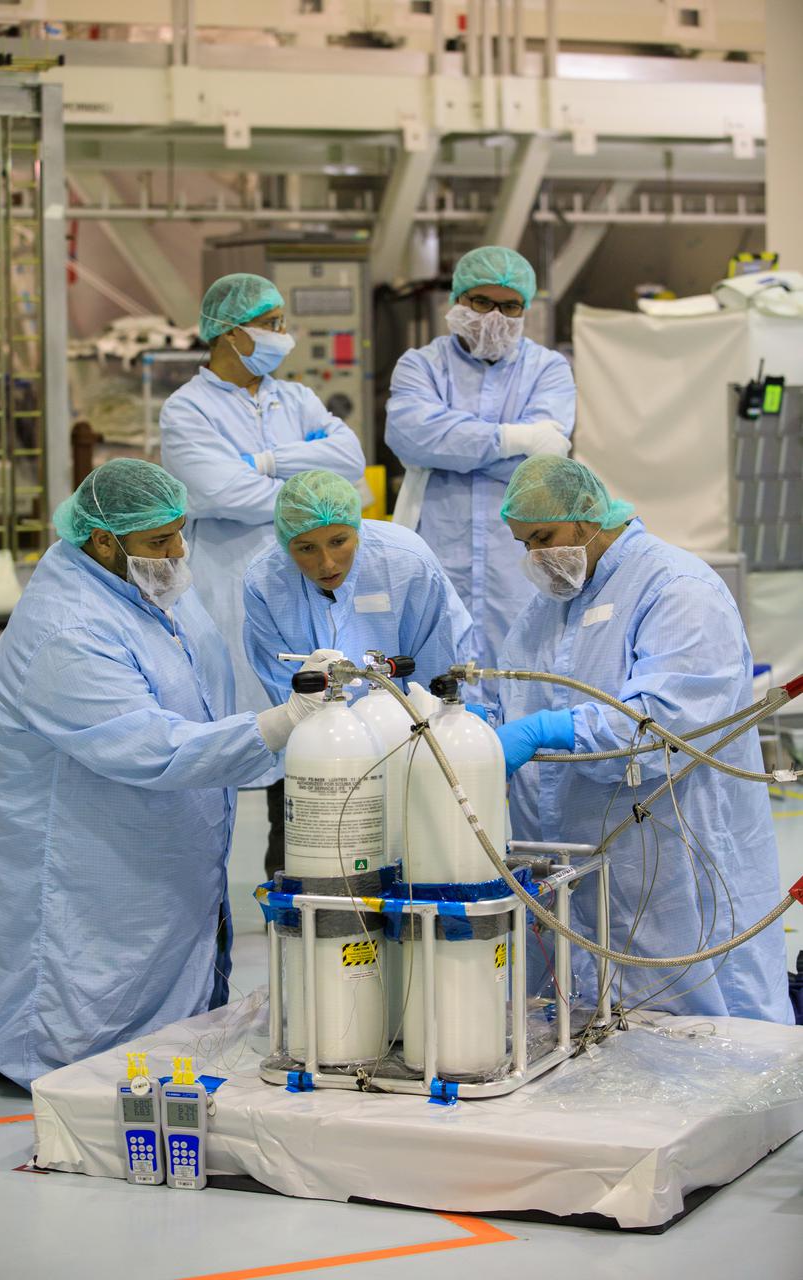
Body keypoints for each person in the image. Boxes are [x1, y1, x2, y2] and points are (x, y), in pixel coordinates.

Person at [0, 459, 329, 1090]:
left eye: (179, 532)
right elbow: (150, 747)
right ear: (103, 541)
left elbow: (200, 693)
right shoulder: (68, 630)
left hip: (163, 846)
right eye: (160, 540)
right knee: (84, 1034)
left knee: (177, 1019)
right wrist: (280, 724)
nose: (178, 552)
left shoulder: (147, 584)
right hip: (89, 866)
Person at [491, 455, 793, 1023]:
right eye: (523, 543)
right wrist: (478, 724)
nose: (535, 556)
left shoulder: (677, 588)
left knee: (702, 1027)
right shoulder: (546, 609)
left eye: (544, 537)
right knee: (597, 1028)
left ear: (588, 516)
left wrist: (547, 730)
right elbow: (513, 694)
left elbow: (668, 722)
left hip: (669, 855)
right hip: (577, 866)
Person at [160, 272, 366, 877]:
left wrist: (265, 462)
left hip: (308, 581)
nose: (283, 334)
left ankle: (307, 879)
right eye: (271, 323)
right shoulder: (187, 409)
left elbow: (350, 462)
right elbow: (216, 491)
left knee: (316, 732)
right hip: (229, 586)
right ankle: (219, 884)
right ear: (229, 331)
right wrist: (305, 486)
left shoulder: (296, 398)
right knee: (244, 731)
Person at [244, 470, 475, 870]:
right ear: (285, 544)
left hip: (408, 750)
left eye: (339, 541)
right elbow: (285, 690)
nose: (326, 562)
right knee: (308, 877)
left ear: (357, 529)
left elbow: (435, 676)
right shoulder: (264, 583)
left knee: (416, 869)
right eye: (306, 548)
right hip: (314, 759)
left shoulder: (406, 563)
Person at [385, 245, 575, 671]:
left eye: (510, 306)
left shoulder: (548, 369)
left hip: (518, 556)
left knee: (520, 671)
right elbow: (411, 437)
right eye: (482, 302)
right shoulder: (420, 365)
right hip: (436, 545)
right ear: (457, 300)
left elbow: (545, 456)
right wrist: (514, 437)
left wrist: (450, 449)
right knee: (432, 672)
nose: (495, 316)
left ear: (525, 309)